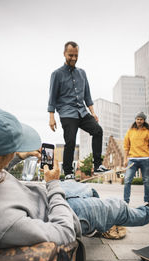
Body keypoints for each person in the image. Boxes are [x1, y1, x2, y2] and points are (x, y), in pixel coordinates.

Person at [0, 106, 149, 251]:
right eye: (13, 148)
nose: (17, 148)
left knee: (87, 190)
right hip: (58, 213)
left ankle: (98, 222)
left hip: (44, 196)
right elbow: (63, 233)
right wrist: (53, 184)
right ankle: (143, 215)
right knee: (113, 206)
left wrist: (20, 156)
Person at [48, 41, 108, 180]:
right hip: (67, 112)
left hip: (82, 111)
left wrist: (93, 113)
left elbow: (87, 95)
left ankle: (98, 165)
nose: (74, 58)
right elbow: (52, 97)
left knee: (97, 130)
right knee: (70, 141)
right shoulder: (57, 74)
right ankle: (68, 172)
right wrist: (51, 117)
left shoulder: (82, 73)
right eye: (70, 55)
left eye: (76, 55)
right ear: (64, 54)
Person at [123, 112, 149, 204]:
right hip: (132, 159)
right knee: (127, 180)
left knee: (146, 181)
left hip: (145, 159)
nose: (139, 121)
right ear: (135, 120)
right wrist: (125, 159)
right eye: (137, 119)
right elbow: (126, 146)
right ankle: (126, 202)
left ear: (144, 120)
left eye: (141, 119)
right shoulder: (130, 131)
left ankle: (146, 201)